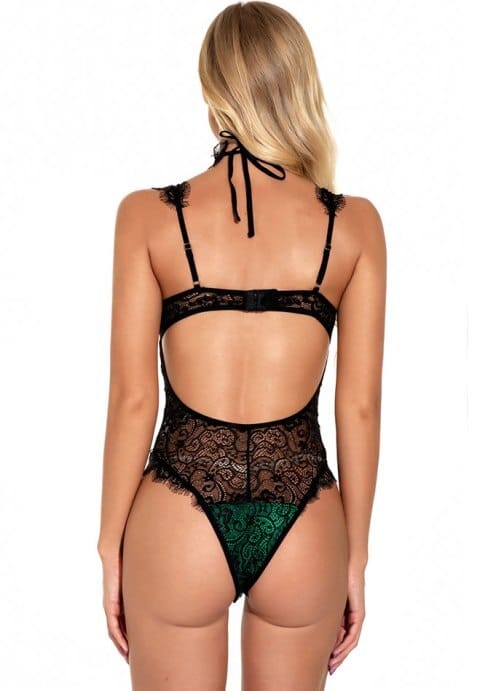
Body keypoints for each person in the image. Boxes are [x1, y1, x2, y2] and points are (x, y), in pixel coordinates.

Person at [97, 2, 386, 689]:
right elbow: (360, 408)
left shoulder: (148, 216)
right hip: (305, 514)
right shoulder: (354, 226)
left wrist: (110, 544)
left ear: (214, 91)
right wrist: (355, 557)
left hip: (178, 512)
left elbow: (134, 399)